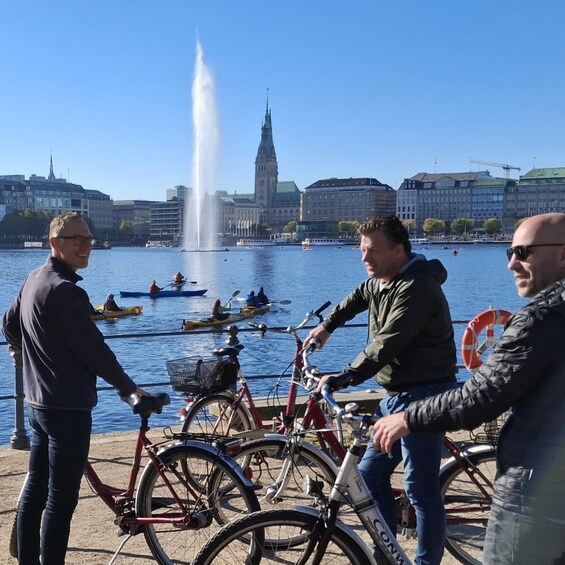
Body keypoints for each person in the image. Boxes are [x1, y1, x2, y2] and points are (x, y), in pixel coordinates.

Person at [372, 212, 565, 565]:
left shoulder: (541, 320)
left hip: (535, 496)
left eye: (522, 252)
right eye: (509, 252)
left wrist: (408, 417)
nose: (511, 263)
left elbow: (481, 397)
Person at [304, 215, 458, 565]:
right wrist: (328, 325)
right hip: (395, 397)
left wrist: (345, 376)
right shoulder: (383, 281)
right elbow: (359, 295)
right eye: (361, 250)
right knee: (370, 475)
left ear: (399, 250)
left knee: (420, 490)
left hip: (426, 395)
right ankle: (387, 555)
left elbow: (386, 344)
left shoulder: (417, 287)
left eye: (372, 250)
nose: (364, 258)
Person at [2, 211, 147, 565]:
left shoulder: (35, 278)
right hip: (67, 410)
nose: (86, 246)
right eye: (76, 239)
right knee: (60, 501)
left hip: (38, 406)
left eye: (88, 239)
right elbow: (96, 352)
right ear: (55, 243)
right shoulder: (65, 292)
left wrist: (19, 346)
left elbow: (7, 323)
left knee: (36, 487)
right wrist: (129, 389)